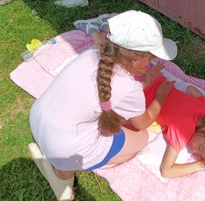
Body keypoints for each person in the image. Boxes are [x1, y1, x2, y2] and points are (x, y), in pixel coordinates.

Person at [28, 10, 178, 200]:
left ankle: (59, 163)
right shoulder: (129, 88)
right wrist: (160, 97)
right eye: (152, 56)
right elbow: (142, 123)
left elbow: (108, 93)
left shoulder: (91, 54)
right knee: (141, 138)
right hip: (62, 151)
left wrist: (145, 82)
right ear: (135, 59)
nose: (153, 61)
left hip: (38, 121)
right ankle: (63, 172)